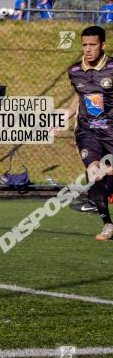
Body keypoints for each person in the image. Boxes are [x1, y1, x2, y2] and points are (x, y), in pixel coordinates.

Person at [60, 25, 113, 240]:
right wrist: (65, 116)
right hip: (87, 131)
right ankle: (108, 225)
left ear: (103, 45)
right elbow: (79, 97)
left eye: (92, 45)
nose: (88, 49)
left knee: (105, 173)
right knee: (94, 171)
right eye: (84, 45)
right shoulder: (74, 71)